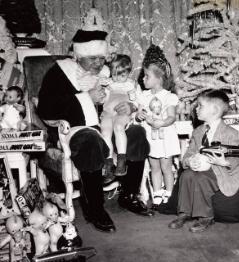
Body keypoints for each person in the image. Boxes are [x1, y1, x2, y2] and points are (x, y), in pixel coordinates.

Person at [37, 29, 152, 233]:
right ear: (78, 55)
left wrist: (131, 107)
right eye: (93, 59)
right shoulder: (60, 72)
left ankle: (129, 195)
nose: (99, 64)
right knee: (91, 140)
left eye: (102, 58)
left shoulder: (108, 73)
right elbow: (46, 109)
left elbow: (126, 94)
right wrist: (86, 98)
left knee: (136, 133)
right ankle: (95, 209)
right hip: (76, 129)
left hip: (111, 125)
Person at [168, 89, 239, 233]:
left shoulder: (230, 133)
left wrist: (223, 162)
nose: (196, 108)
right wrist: (189, 162)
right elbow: (188, 154)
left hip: (222, 171)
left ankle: (206, 216)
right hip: (201, 168)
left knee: (201, 178)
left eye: (200, 105)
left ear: (214, 110)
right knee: (186, 175)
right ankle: (184, 212)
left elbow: (236, 156)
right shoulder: (198, 131)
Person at [136, 46, 180, 207]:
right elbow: (139, 112)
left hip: (165, 137)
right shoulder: (143, 95)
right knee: (154, 166)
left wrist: (163, 122)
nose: (143, 79)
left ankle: (169, 191)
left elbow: (171, 116)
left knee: (166, 166)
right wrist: (138, 115)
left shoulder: (169, 96)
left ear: (159, 78)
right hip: (151, 138)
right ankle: (157, 191)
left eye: (147, 76)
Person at [100, 54, 141, 177]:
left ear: (128, 72)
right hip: (108, 112)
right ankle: (108, 162)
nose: (117, 78)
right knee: (105, 132)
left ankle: (121, 160)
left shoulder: (132, 85)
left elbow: (138, 102)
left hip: (122, 113)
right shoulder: (109, 84)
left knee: (118, 127)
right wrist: (103, 90)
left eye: (121, 75)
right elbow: (102, 101)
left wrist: (133, 103)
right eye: (114, 74)